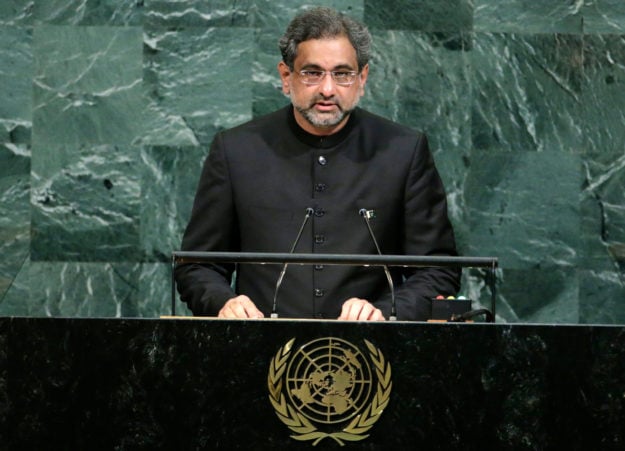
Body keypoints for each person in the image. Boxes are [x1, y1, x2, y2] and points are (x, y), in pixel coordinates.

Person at [175, 7, 460, 321]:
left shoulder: (404, 151)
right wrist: (224, 303)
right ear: (286, 76)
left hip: (372, 355)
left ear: (362, 78)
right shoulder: (236, 150)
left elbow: (438, 270)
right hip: (256, 349)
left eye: (342, 74)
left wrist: (384, 312)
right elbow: (198, 265)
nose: (327, 89)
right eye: (312, 72)